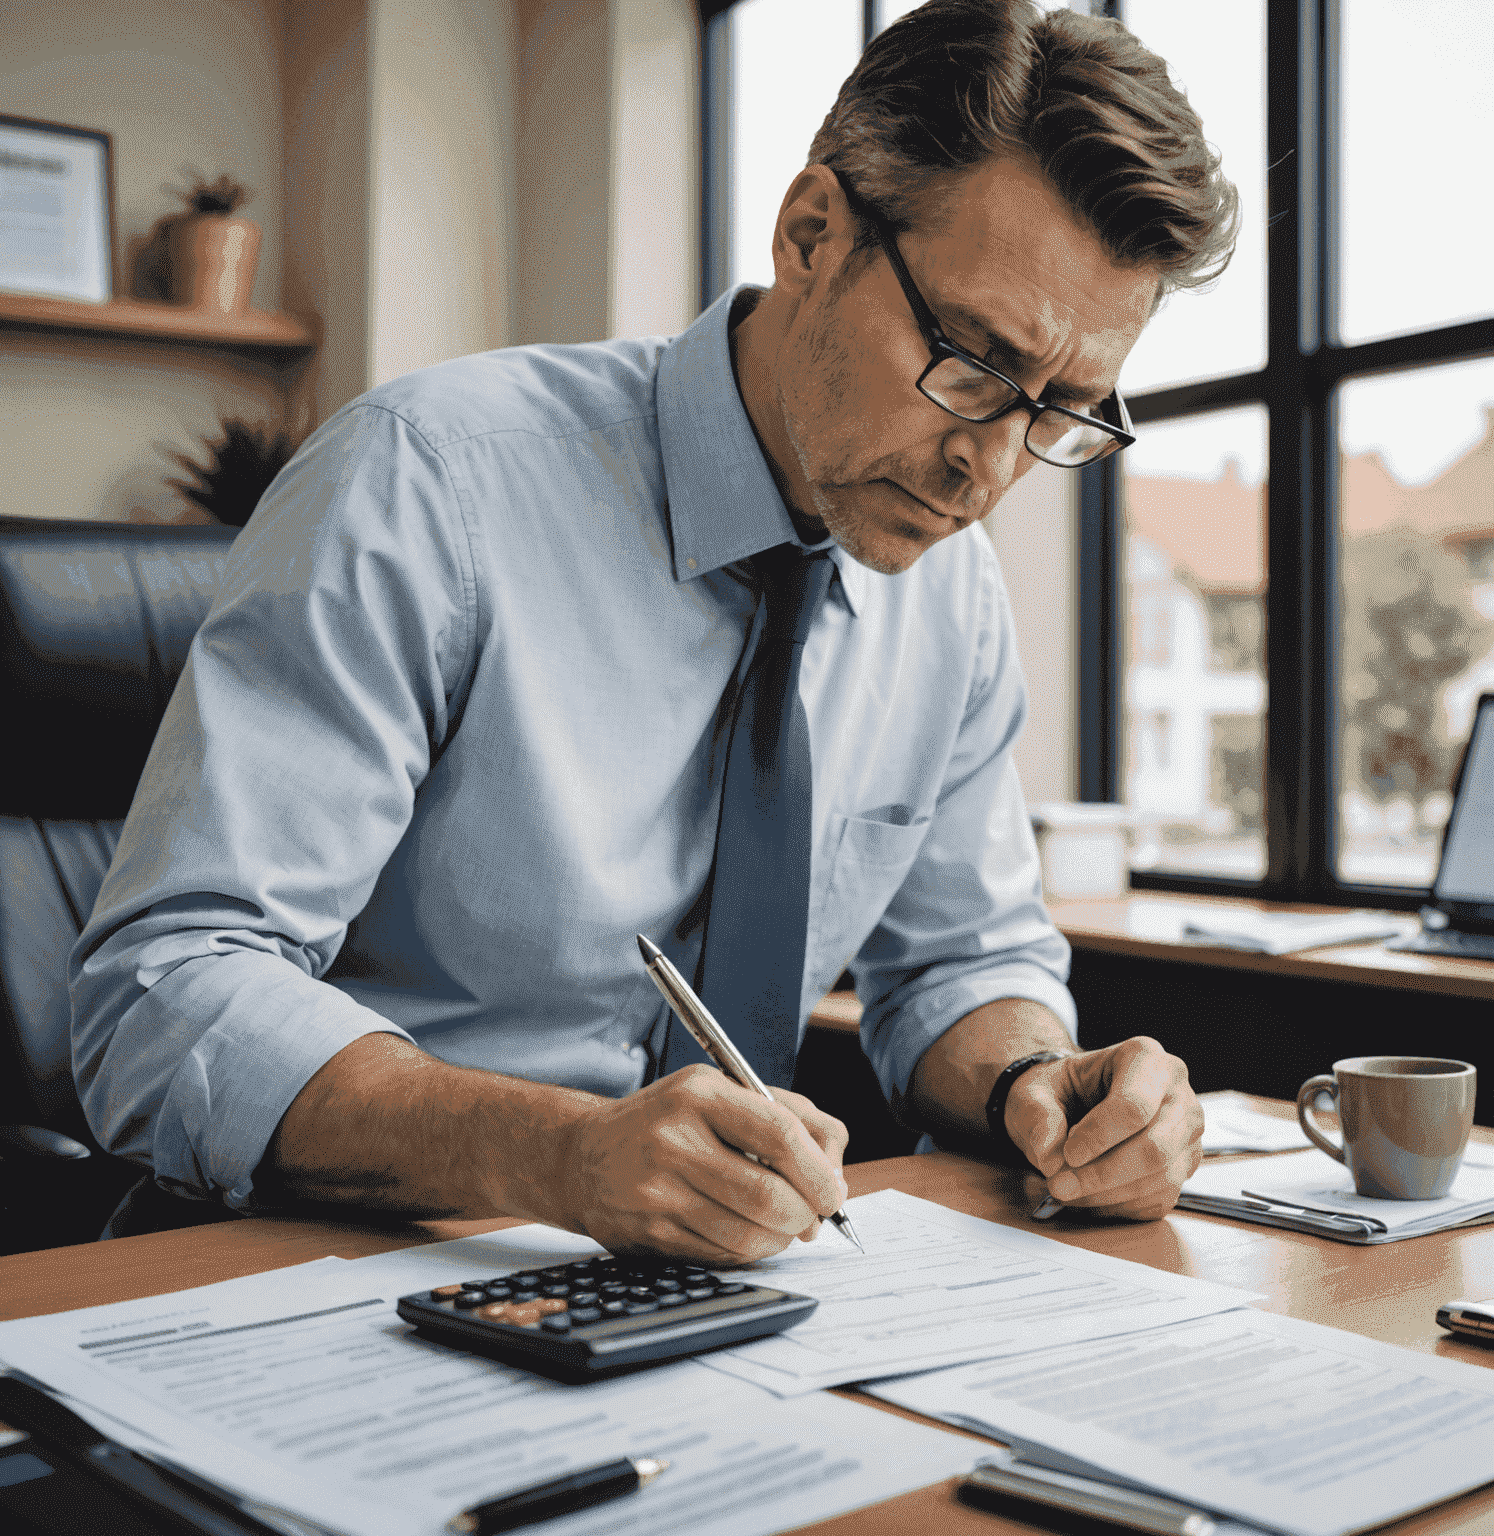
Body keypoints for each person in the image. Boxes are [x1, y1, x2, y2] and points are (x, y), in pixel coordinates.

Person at [69, 0, 1237, 1262]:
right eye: (971, 362)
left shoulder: (948, 599)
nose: (989, 469)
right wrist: (559, 1154)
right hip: (335, 1261)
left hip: (714, 1294)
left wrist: (1039, 1086)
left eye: (1061, 410)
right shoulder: (428, 487)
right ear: (811, 234)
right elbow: (162, 1000)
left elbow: (965, 961)